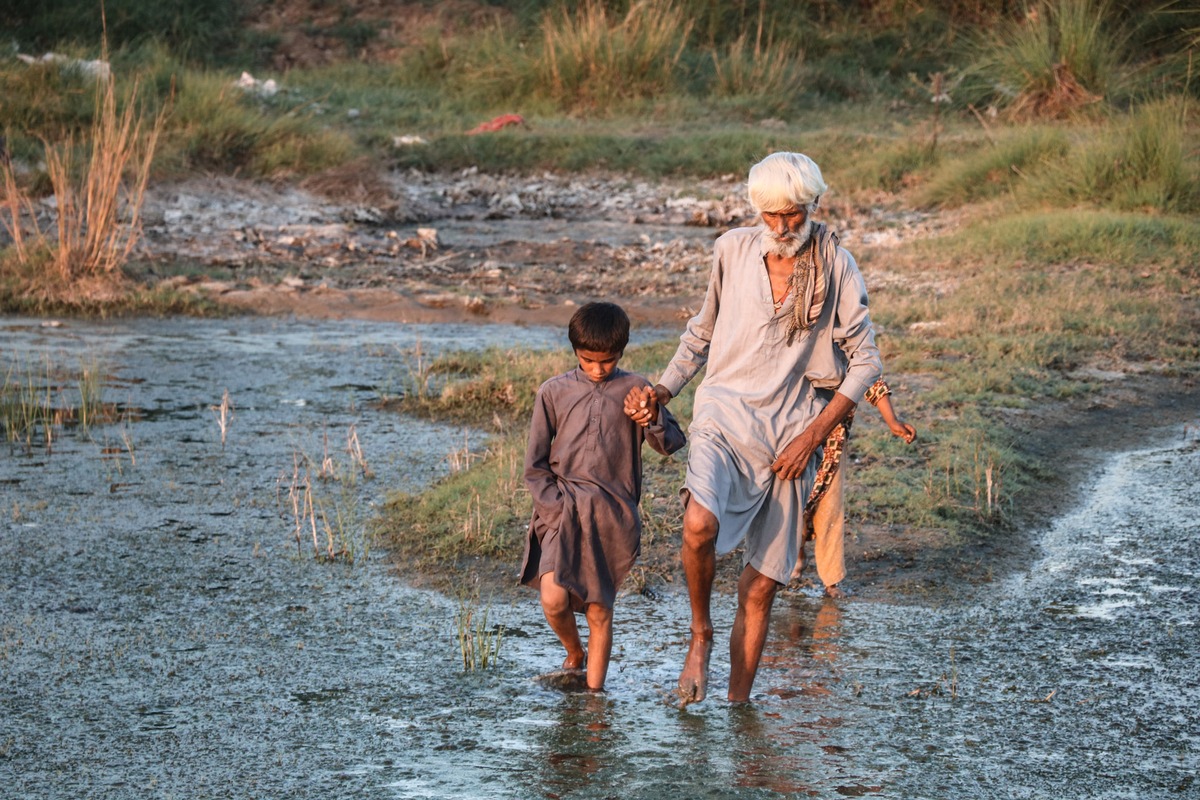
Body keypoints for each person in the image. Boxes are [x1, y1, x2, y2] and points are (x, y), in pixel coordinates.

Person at [650, 151, 882, 704]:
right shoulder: (730, 250)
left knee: (759, 589)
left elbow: (867, 362)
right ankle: (700, 633)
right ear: (756, 209)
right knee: (697, 523)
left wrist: (812, 437)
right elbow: (700, 334)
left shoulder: (837, 264)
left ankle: (738, 712)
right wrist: (662, 390)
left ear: (814, 205)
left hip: (791, 435)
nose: (781, 228)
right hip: (723, 415)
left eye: (794, 215)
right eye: (771, 215)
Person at [520, 301, 686, 692]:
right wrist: (555, 510)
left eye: (607, 361)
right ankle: (574, 652)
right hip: (561, 509)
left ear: (622, 352)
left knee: (599, 610)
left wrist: (652, 417)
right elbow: (535, 465)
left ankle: (596, 700)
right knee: (553, 597)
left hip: (613, 517)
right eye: (588, 360)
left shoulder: (636, 390)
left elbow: (673, 442)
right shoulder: (553, 392)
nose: (597, 369)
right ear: (574, 352)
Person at [789, 377, 917, 598]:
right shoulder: (800, 345)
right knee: (794, 508)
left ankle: (831, 580)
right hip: (794, 441)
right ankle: (793, 562)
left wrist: (893, 421)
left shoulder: (850, 347)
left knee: (830, 513)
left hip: (833, 446)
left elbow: (872, 380)